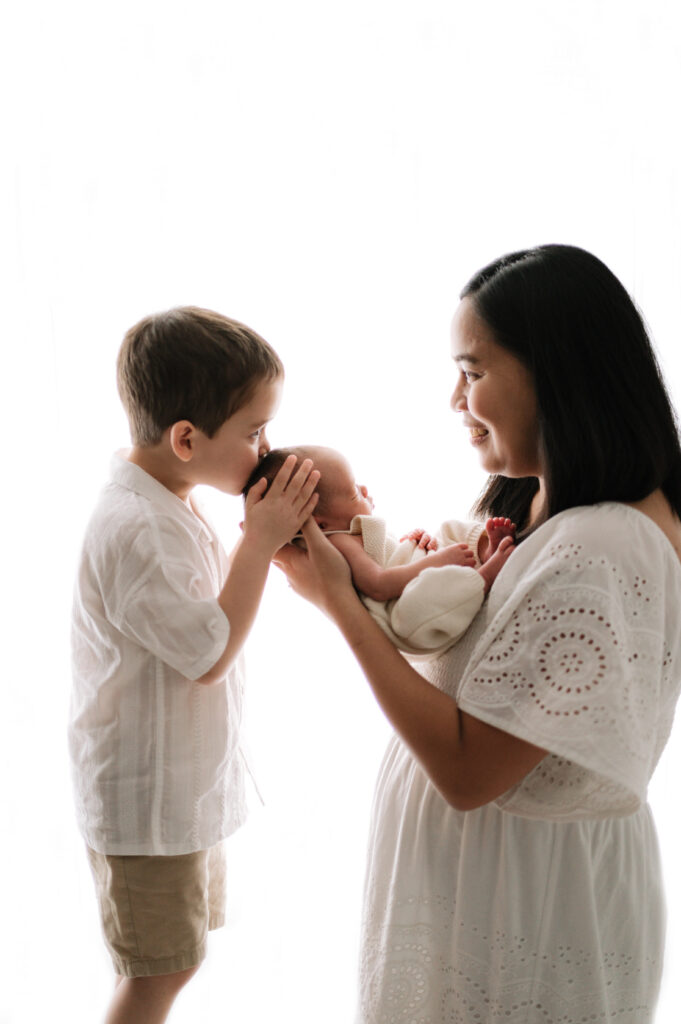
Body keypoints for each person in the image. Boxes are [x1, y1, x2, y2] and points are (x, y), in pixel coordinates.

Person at [274, 245, 681, 1023]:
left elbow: (468, 773)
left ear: (556, 371)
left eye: (472, 372)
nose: (453, 399)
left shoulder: (603, 545)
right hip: (483, 884)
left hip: (520, 898)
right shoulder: (540, 510)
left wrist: (342, 608)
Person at [67, 307, 319, 1024]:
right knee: (159, 969)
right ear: (186, 439)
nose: (266, 448)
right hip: (144, 805)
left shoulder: (163, 497)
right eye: (254, 432)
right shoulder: (138, 527)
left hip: (172, 794)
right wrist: (259, 546)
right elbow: (208, 650)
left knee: (178, 957)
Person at [247, 445, 515, 655]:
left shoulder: (348, 533)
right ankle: (485, 576)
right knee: (429, 593)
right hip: (407, 619)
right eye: (354, 492)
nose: (364, 489)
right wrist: (436, 561)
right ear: (320, 524)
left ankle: (485, 553)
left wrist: (409, 545)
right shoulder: (338, 543)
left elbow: (386, 561)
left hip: (410, 581)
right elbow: (378, 586)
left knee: (445, 531)